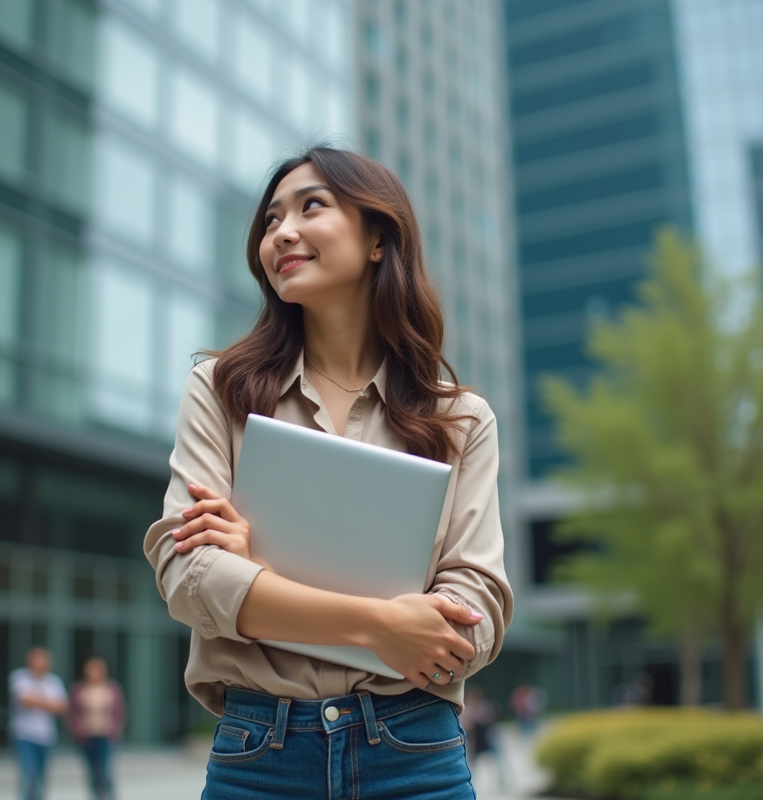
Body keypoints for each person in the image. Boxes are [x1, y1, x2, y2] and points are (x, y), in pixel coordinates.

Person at [144, 146, 513, 799]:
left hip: (415, 754)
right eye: (269, 220)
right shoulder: (220, 389)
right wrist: (381, 626)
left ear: (378, 237)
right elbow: (189, 576)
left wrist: (255, 562)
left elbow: (476, 612)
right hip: (259, 756)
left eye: (310, 206)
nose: (279, 232)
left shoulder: (461, 420)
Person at [9, 647, 68, 800]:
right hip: (24, 735)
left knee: (42, 778)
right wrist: (50, 703)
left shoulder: (54, 680)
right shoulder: (19, 677)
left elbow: (62, 707)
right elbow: (25, 700)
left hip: (46, 736)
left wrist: (37, 701)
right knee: (29, 775)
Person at [68, 657, 127, 800]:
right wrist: (76, 730)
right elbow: (72, 713)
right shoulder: (78, 689)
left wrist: (116, 730)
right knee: (92, 772)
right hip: (86, 736)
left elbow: (119, 712)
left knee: (104, 770)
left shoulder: (112, 688)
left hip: (106, 736)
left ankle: (107, 795)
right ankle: (96, 795)